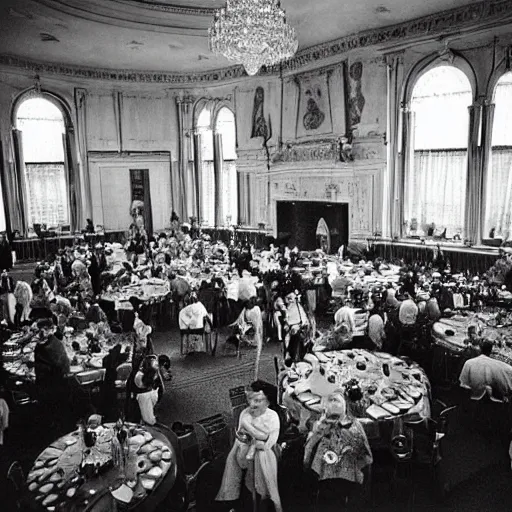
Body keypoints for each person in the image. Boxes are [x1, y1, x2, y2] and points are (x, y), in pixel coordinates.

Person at [216, 380, 282, 512]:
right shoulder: (245, 414)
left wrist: (250, 429)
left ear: (267, 401)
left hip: (264, 458)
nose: (252, 404)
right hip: (245, 457)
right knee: (246, 488)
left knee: (264, 493)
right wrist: (246, 440)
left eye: (257, 401)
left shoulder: (272, 417)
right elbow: (241, 438)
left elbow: (267, 443)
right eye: (250, 399)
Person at [303, 391, 373, 510]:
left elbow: (366, 456)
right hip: (326, 478)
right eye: (331, 400)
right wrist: (318, 433)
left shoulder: (355, 425)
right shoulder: (320, 425)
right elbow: (308, 452)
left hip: (350, 477)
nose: (333, 403)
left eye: (336, 400)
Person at [133, 355, 164, 425]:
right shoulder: (140, 380)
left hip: (149, 394)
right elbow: (149, 420)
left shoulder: (141, 378)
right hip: (147, 396)